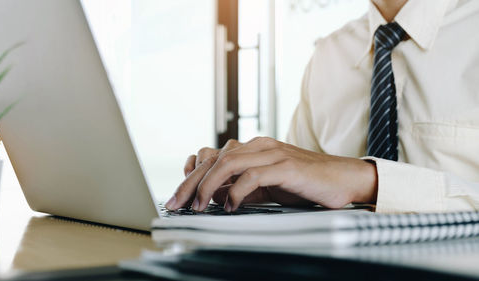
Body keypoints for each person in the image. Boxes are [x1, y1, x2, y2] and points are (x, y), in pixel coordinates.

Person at [166, 0, 479, 214]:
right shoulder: (330, 55)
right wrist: (272, 189)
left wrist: (366, 181)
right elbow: (306, 183)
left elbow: (340, 180)